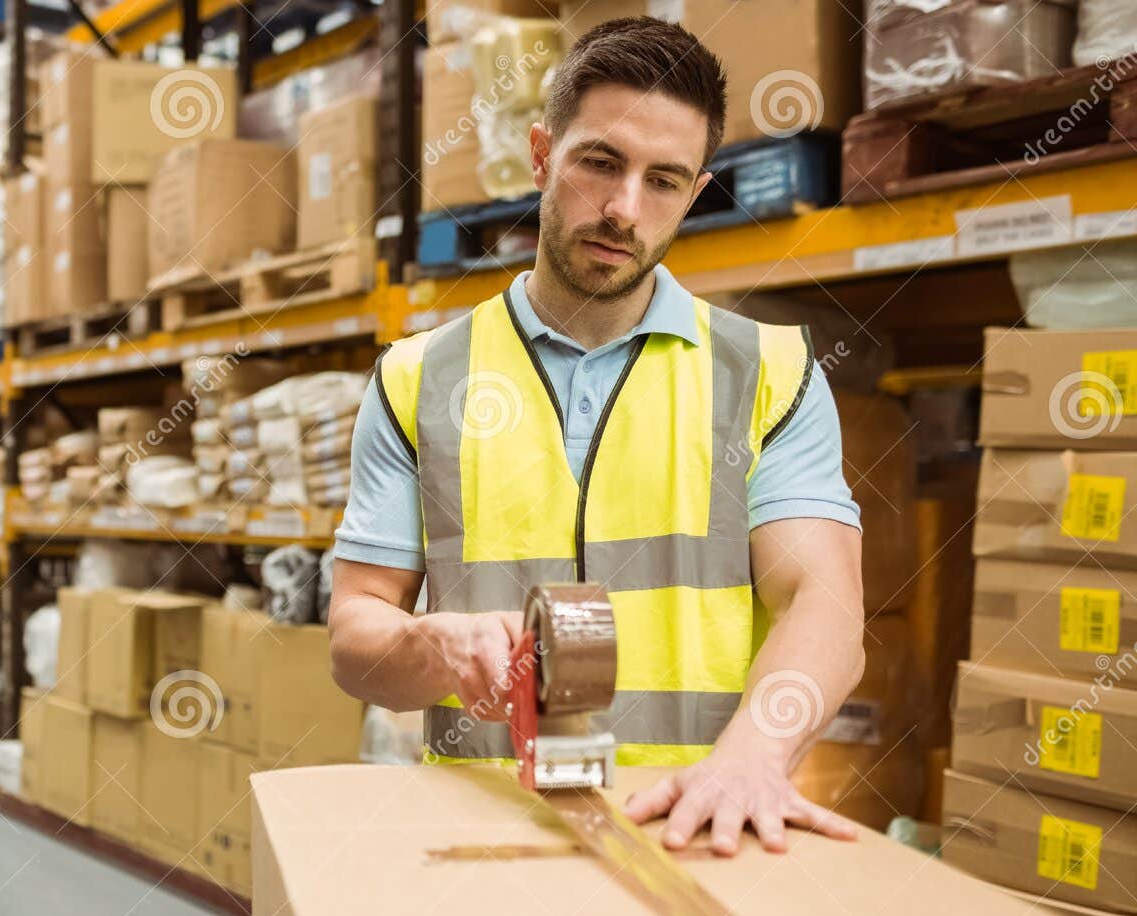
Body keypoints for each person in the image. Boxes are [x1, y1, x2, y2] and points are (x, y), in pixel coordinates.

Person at [328, 18, 865, 857]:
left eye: (664, 181)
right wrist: (431, 645)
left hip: (692, 826)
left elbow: (823, 605)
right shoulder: (418, 379)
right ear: (542, 156)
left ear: (695, 193)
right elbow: (355, 640)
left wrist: (754, 758)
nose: (623, 209)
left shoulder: (772, 375)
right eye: (600, 163)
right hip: (481, 835)